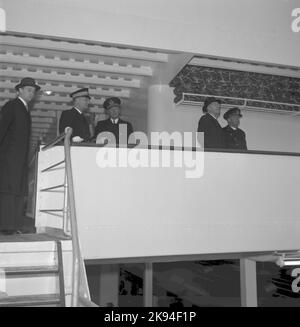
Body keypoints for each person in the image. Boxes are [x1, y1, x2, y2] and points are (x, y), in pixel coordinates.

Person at [0, 77, 40, 235]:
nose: (32, 94)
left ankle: (14, 225)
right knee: (9, 191)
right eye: (29, 90)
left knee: (19, 191)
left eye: (34, 91)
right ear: (19, 90)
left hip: (19, 159)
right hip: (9, 159)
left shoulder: (24, 109)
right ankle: (6, 226)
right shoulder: (11, 106)